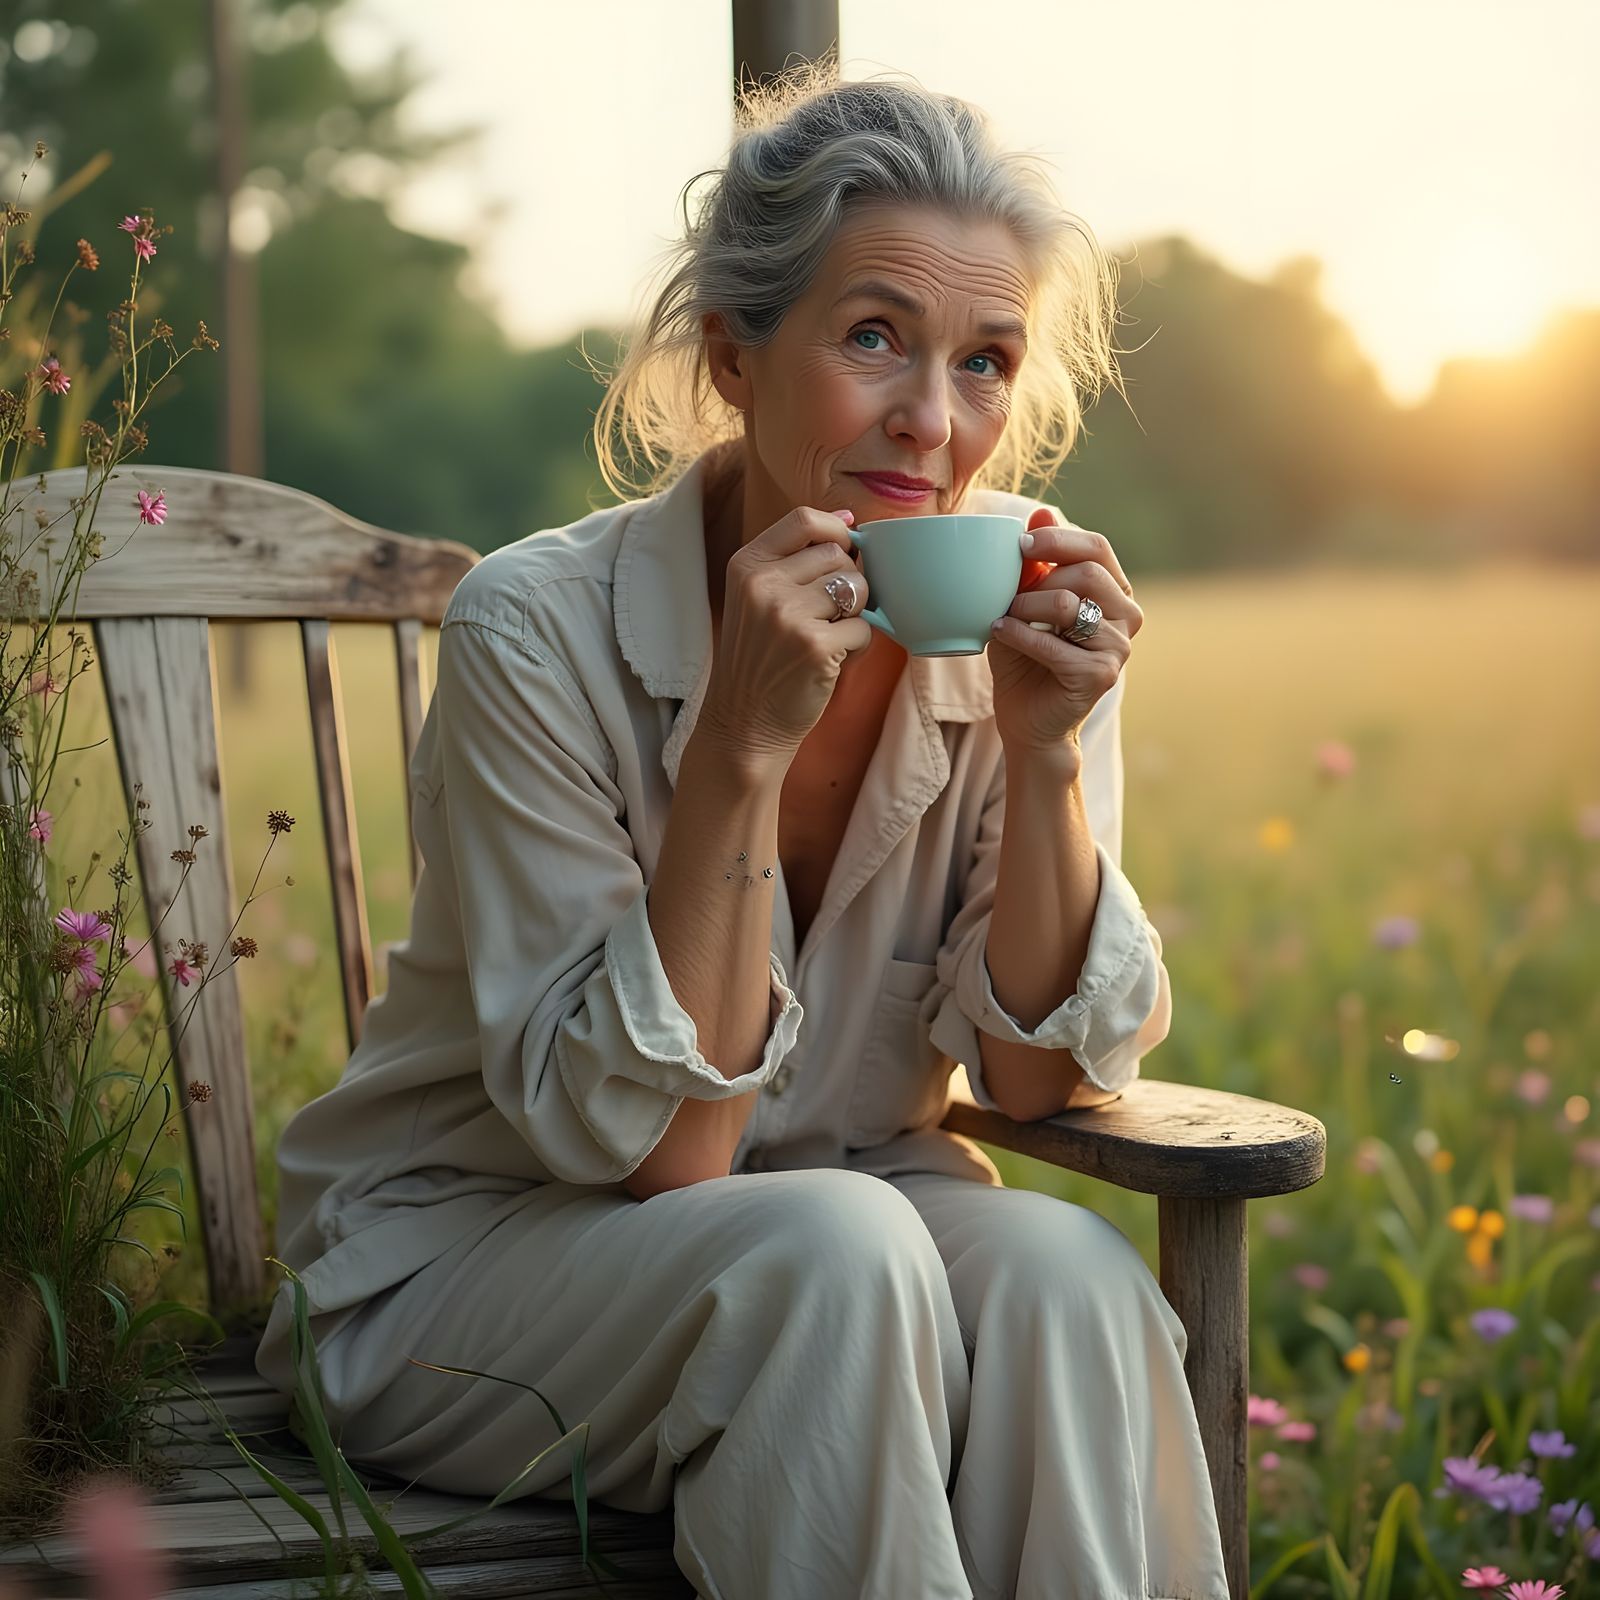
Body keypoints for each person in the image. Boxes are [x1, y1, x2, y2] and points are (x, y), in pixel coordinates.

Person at [254, 60, 1232, 1600]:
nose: (934, 420)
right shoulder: (537, 628)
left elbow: (1040, 1075)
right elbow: (669, 1149)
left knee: (1068, 1279)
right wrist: (739, 745)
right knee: (834, 1258)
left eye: (986, 362)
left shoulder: (1023, 626)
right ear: (732, 358)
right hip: (465, 1270)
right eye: (872, 339)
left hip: (856, 1234)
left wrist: (1044, 759)